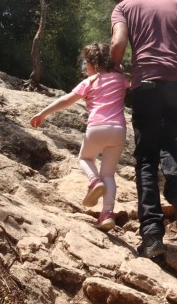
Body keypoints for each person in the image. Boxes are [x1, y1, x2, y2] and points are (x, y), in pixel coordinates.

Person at [110, 0, 177, 260]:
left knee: (146, 159)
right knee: (170, 141)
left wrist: (116, 68)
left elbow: (118, 42)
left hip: (149, 83)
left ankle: (152, 236)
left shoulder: (123, 8)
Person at [30, 43, 128, 231]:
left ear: (91, 63)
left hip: (96, 128)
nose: (84, 67)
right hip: (118, 130)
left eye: (85, 63)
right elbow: (132, 81)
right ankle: (107, 214)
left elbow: (66, 99)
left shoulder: (89, 82)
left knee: (85, 158)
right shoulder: (119, 78)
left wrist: (43, 113)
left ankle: (94, 181)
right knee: (109, 174)